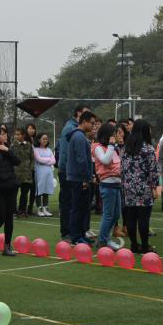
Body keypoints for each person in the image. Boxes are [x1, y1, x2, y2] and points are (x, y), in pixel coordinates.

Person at [120, 119, 159, 254]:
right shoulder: (148, 149)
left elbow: (122, 169)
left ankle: (134, 245)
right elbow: (153, 170)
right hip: (144, 187)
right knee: (143, 218)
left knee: (131, 217)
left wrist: (125, 184)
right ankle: (145, 245)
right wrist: (154, 188)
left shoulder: (126, 148)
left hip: (129, 187)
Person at [64, 110, 97, 245]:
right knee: (77, 209)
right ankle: (76, 237)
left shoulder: (80, 136)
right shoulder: (78, 137)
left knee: (83, 208)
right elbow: (81, 160)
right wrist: (85, 178)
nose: (94, 126)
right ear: (84, 122)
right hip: (78, 179)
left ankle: (81, 234)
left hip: (80, 178)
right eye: (92, 123)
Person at [0, 127, 21, 255]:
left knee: (9, 217)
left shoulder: (7, 148)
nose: (5, 136)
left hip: (11, 186)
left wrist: (8, 150)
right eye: (2, 134)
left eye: (6, 133)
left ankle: (7, 246)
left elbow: (17, 162)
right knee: (1, 215)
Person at [56, 104, 87, 240]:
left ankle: (75, 231)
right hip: (68, 172)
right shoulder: (70, 128)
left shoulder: (76, 128)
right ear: (79, 114)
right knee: (68, 203)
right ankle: (66, 232)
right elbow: (66, 152)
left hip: (71, 171)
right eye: (86, 114)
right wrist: (69, 171)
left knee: (75, 203)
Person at [92, 123, 123, 250]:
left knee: (116, 214)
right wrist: (111, 145)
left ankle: (104, 238)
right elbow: (105, 160)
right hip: (107, 185)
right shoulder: (98, 147)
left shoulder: (113, 148)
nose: (116, 136)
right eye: (114, 134)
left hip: (116, 184)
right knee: (109, 214)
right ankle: (103, 241)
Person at [13, 125, 35, 218]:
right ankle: (13, 211)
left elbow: (32, 158)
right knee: (13, 194)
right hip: (15, 173)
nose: (16, 136)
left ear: (23, 135)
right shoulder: (13, 145)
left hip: (26, 173)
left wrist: (31, 168)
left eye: (18, 134)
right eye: (16, 134)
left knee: (24, 194)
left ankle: (22, 211)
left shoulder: (29, 145)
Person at [32, 133, 56, 216]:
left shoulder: (49, 150)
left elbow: (54, 161)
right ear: (39, 140)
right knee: (39, 190)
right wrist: (49, 159)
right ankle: (39, 209)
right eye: (43, 138)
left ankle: (45, 209)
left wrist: (45, 160)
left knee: (46, 190)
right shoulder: (36, 149)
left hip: (49, 173)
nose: (45, 140)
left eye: (46, 139)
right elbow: (39, 159)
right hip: (39, 172)